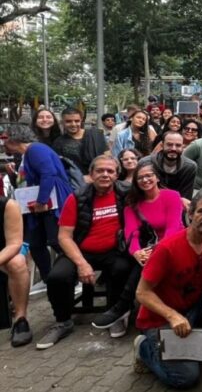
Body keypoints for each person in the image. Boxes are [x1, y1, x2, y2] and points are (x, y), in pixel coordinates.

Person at [133, 189, 202, 389]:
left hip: (192, 307)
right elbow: (141, 292)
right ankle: (144, 348)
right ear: (190, 213)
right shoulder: (167, 248)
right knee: (186, 378)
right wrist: (172, 316)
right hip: (159, 318)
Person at [37, 155, 133, 349]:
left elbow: (155, 194)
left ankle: (114, 315)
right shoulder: (77, 197)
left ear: (117, 175)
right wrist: (81, 263)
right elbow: (64, 236)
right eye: (100, 171)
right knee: (57, 277)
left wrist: (180, 199)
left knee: (122, 268)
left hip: (114, 250)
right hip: (81, 249)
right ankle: (63, 321)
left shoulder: (126, 193)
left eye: (110, 171)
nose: (105, 174)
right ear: (91, 174)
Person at [91, 159, 185, 332]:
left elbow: (173, 228)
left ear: (157, 177)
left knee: (149, 261)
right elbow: (131, 233)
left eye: (149, 175)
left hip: (176, 244)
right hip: (150, 247)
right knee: (140, 261)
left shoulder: (172, 196)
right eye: (140, 178)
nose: (145, 180)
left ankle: (122, 307)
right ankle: (128, 309)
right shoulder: (133, 204)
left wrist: (156, 250)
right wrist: (136, 252)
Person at [4, 125, 73, 282]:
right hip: (36, 203)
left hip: (51, 200)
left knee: (56, 240)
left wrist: (42, 200)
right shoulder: (27, 154)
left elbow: (48, 173)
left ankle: (71, 274)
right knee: (35, 243)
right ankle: (48, 278)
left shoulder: (36, 149)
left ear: (13, 139)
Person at [0, 197, 33, 347]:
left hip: (6, 251)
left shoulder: (8, 206)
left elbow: (14, 244)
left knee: (17, 263)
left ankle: (20, 319)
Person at [53, 107, 109, 174]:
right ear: (62, 122)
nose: (73, 124)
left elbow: (108, 157)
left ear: (81, 121)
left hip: (100, 175)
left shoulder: (96, 135)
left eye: (77, 121)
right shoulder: (58, 143)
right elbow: (60, 167)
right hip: (75, 179)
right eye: (68, 121)